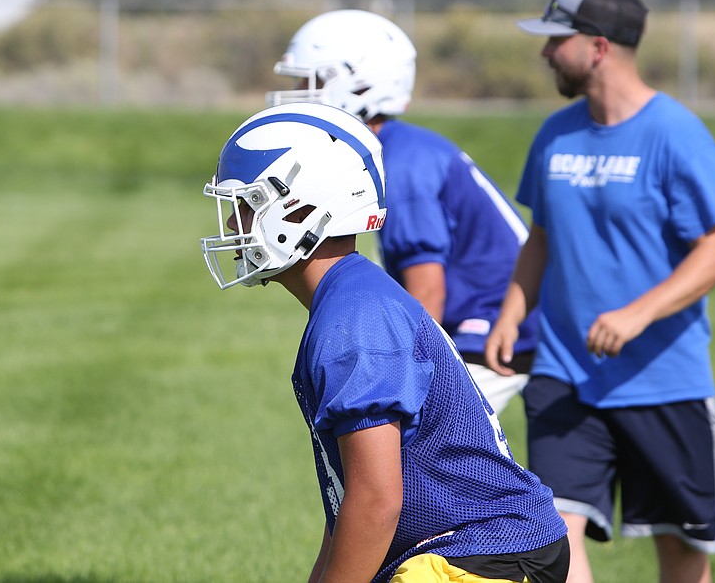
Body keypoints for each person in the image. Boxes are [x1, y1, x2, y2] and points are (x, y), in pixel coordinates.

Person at [200, 102, 569, 583]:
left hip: (484, 553)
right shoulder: (351, 299)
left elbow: (377, 500)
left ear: (299, 209)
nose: (233, 226)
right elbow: (349, 510)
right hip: (465, 551)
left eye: (247, 206)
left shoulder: (355, 319)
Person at [483, 0, 715, 583]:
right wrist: (512, 312)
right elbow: (541, 237)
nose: (545, 54)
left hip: (662, 383)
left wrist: (636, 314)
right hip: (564, 377)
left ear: (598, 47)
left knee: (680, 553)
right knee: (553, 538)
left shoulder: (675, 134)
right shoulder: (555, 134)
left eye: (556, 41)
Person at [267, 9, 538, 414]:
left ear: (359, 83)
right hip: (488, 329)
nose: (301, 94)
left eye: (314, 82)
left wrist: (396, 372)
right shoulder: (396, 147)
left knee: (406, 451)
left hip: (494, 335)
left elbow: (427, 290)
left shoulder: (402, 161)